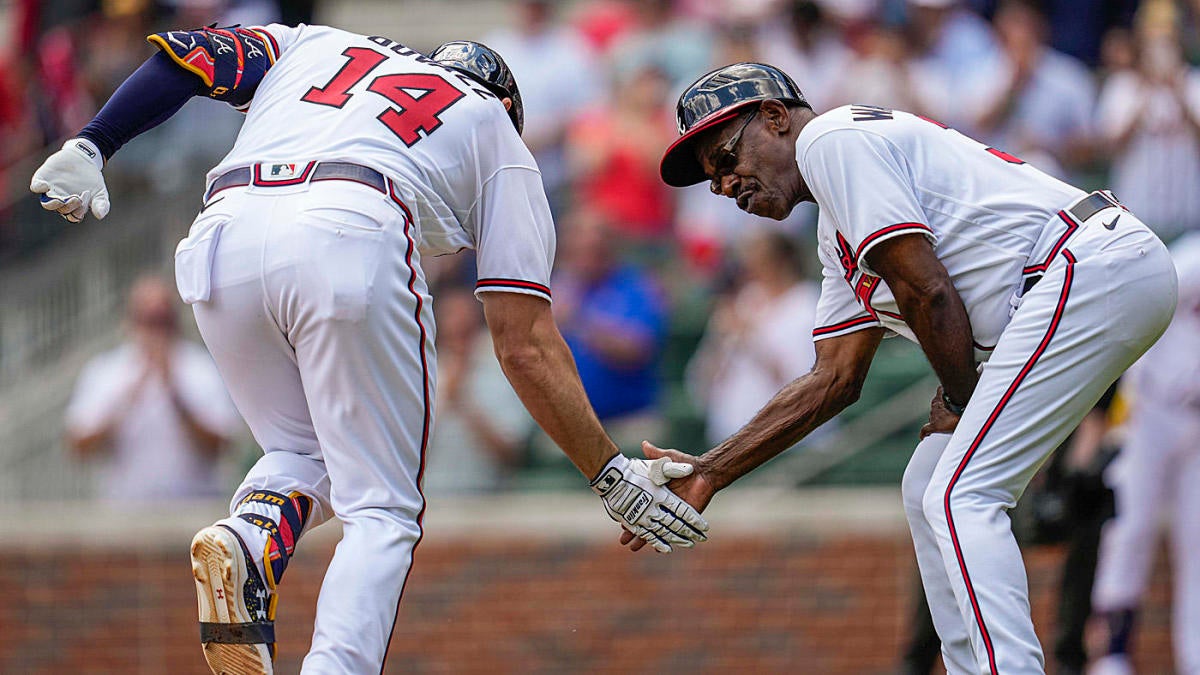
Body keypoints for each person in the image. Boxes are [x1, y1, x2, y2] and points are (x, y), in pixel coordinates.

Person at [30, 30, 707, 674]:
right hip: (353, 225)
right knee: (382, 509)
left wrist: (94, 143)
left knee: (305, 453)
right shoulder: (492, 124)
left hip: (220, 238)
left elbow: (189, 56)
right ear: (505, 103)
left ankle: (250, 534)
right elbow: (524, 342)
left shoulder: (320, 43)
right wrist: (610, 474)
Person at [646, 62, 1177, 674]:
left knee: (961, 494)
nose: (722, 184)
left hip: (1086, 265)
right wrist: (712, 470)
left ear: (774, 116)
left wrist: (958, 398)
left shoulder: (829, 140)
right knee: (928, 483)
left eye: (724, 155)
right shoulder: (836, 228)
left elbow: (928, 291)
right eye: (711, 178)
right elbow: (834, 378)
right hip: (1083, 277)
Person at [1089, 233, 1200, 675]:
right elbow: (1141, 306)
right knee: (1129, 528)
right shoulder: (1192, 258)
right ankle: (1113, 653)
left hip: (1196, 422)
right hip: (1152, 409)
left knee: (1197, 541)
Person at [65, 275, 240, 500]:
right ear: (131, 321)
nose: (156, 332)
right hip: (127, 514)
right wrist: (125, 401)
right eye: (148, 320)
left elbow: (224, 443)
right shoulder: (105, 370)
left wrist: (176, 396)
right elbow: (78, 447)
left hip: (195, 510)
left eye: (162, 321)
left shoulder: (201, 367)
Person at [687, 230, 820, 447]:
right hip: (731, 438)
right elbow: (704, 381)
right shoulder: (743, 301)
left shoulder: (808, 304)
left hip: (789, 441)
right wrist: (719, 343)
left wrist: (749, 339)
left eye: (760, 259)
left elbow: (805, 384)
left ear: (782, 262)